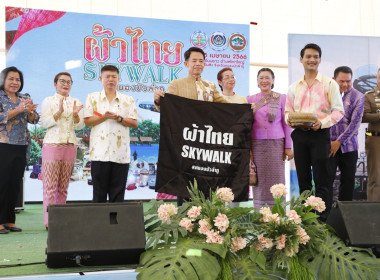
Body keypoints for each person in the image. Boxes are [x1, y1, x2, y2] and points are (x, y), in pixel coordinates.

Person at [154, 47, 229, 205]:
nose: (198, 64)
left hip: (205, 143)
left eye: (201, 61)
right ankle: (185, 222)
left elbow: (226, 107)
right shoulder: (176, 84)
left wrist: (245, 109)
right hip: (185, 143)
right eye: (194, 61)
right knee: (186, 183)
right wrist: (158, 100)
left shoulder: (210, 86)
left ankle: (204, 224)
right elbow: (166, 108)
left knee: (205, 182)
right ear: (186, 63)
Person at [285, 43, 344, 221]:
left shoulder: (329, 83)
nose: (312, 60)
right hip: (300, 135)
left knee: (322, 180)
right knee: (303, 180)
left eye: (316, 56)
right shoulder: (294, 87)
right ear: (301, 60)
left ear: (320, 59)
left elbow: (339, 111)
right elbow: (287, 112)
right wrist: (291, 121)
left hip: (320, 135)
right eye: (308, 56)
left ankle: (322, 221)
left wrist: (322, 123)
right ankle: (305, 220)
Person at [84, 65, 138, 203]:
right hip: (99, 154)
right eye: (107, 76)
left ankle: (116, 224)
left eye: (114, 77)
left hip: (121, 155)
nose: (110, 79)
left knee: (118, 196)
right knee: (98, 195)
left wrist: (119, 118)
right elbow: (88, 121)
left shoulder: (128, 100)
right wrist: (104, 117)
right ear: (101, 79)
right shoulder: (92, 98)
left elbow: (134, 123)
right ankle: (98, 225)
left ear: (118, 79)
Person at [40, 72, 84, 228]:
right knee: (50, 185)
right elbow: (44, 123)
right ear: (55, 84)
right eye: (62, 81)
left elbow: (79, 126)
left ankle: (59, 218)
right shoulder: (48, 101)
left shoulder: (76, 101)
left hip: (70, 144)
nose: (66, 84)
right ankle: (49, 220)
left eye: (69, 82)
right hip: (52, 144)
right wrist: (58, 112)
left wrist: (76, 115)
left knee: (63, 186)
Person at [247, 68, 293, 209]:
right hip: (256, 144)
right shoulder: (250, 99)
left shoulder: (282, 98)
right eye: (261, 78)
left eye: (267, 77)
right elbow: (246, 124)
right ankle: (260, 212)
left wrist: (288, 146)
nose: (264, 81)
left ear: (273, 80)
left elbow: (287, 123)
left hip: (277, 144)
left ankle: (278, 211)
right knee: (259, 178)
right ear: (257, 81)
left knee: (277, 178)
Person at [0, 66, 39, 234]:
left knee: (14, 183)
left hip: (21, 145)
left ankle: (9, 220)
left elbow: (34, 119)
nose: (15, 82)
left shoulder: (25, 97)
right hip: (3, 144)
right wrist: (19, 109)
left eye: (18, 79)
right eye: (11, 79)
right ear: (3, 80)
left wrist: (30, 112)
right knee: (1, 183)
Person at [328, 66, 364, 202]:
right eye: (341, 81)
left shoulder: (359, 97)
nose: (345, 84)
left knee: (348, 183)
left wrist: (339, 142)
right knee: (326, 182)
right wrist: (330, 142)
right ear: (333, 80)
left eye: (348, 81)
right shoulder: (326, 96)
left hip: (349, 147)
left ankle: (344, 216)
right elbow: (322, 119)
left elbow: (355, 124)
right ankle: (325, 216)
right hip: (328, 146)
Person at [362, 68, 380, 201]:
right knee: (375, 177)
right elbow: (364, 116)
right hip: (375, 139)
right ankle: (373, 215)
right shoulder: (369, 95)